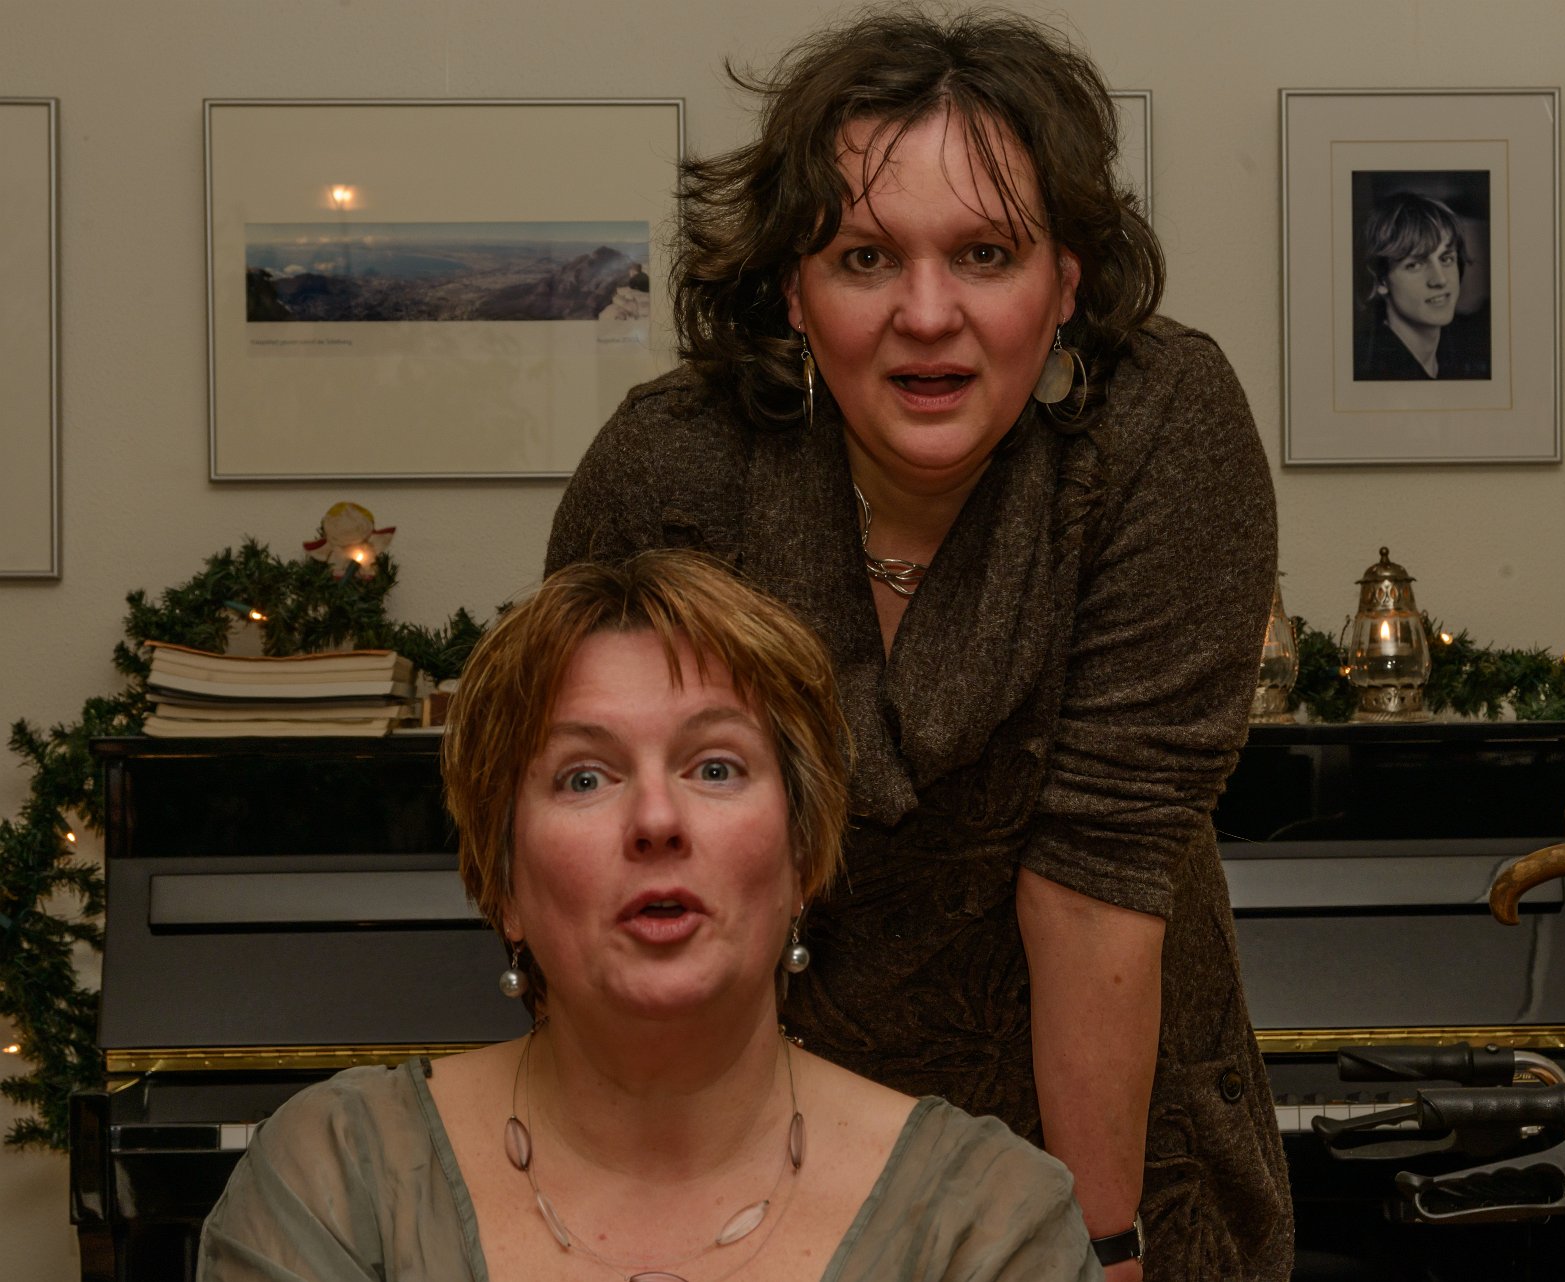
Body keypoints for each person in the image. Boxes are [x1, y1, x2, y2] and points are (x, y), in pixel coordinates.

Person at [546, 12, 1291, 1279]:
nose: (928, 314)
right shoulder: (669, 473)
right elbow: (590, 855)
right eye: (866, 257)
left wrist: (1095, 1250)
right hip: (747, 1156)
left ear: (1065, 282)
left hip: (1112, 1143)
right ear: (794, 287)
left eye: (986, 253)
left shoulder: (1161, 431)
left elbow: (1096, 883)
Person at [197, 552, 1103, 1282]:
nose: (657, 820)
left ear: (803, 856)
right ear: (503, 883)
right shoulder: (336, 1186)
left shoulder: (988, 1224)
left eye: (715, 768)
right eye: (584, 777)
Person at [1353, 191, 1491, 381]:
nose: (1440, 280)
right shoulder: (1369, 371)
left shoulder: (1468, 352)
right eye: (1415, 265)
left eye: (1446, 259)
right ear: (1381, 281)